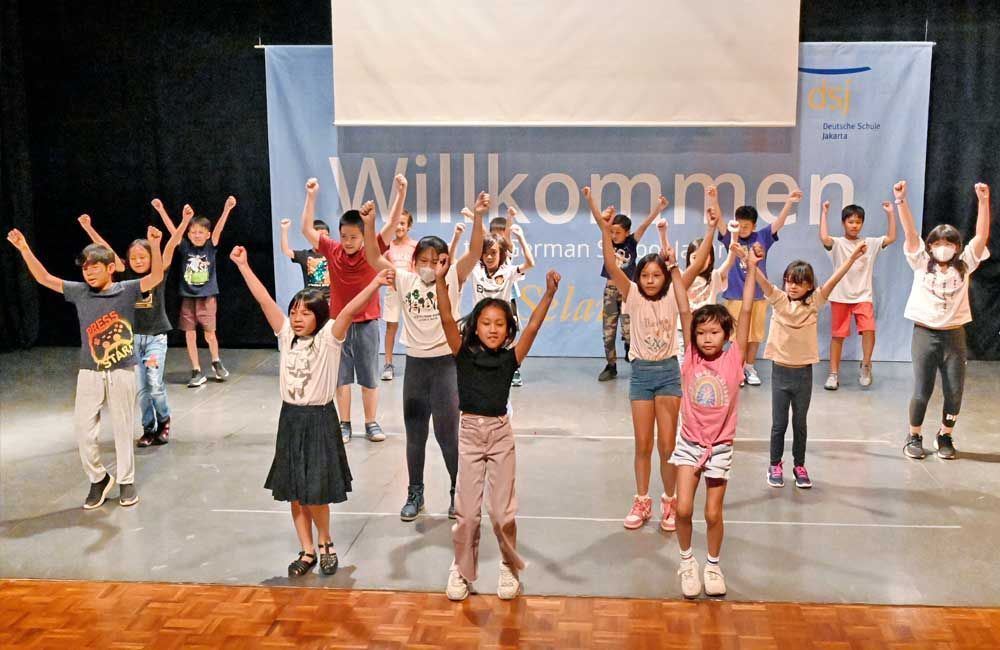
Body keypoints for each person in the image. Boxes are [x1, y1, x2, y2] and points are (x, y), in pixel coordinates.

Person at [230, 245, 392, 577]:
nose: (297, 318)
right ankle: (306, 550)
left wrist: (375, 284)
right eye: (294, 312)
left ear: (318, 315)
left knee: (316, 490)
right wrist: (244, 266)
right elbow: (263, 300)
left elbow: (347, 311)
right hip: (291, 419)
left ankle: (326, 542)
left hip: (319, 420)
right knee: (295, 491)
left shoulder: (330, 337)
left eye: (305, 313)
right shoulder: (285, 334)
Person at [7, 225, 164, 509]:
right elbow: (44, 278)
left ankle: (126, 482)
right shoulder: (80, 292)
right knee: (83, 429)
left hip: (121, 370)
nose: (88, 273)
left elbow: (155, 276)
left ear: (110, 268)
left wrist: (155, 244)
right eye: (85, 269)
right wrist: (23, 248)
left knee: (122, 426)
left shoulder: (126, 290)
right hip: (89, 371)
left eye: (94, 267)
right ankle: (99, 478)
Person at [364, 180, 491, 521]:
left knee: (448, 434)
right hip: (416, 366)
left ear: (443, 262)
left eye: (435, 260)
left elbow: (476, 252)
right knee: (415, 433)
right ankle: (415, 492)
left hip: (446, 366)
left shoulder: (452, 278)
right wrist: (369, 224)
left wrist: (479, 218)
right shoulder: (403, 279)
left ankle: (456, 490)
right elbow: (373, 256)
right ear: (414, 259)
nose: (429, 265)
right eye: (423, 259)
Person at [437, 255, 560, 601]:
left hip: (500, 433)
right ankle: (462, 569)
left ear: (508, 329)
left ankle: (508, 566)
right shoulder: (462, 352)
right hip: (470, 432)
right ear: (475, 326)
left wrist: (548, 294)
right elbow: (447, 317)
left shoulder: (511, 357)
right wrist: (444, 281)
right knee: (466, 512)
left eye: (500, 324)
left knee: (503, 511)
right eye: (487, 322)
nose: (493, 329)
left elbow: (533, 327)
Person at [598, 203, 719, 531]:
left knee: (668, 445)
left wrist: (711, 229)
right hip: (641, 375)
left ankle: (669, 500)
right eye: (646, 275)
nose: (651, 279)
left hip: (667, 373)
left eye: (656, 275)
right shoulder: (633, 294)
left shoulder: (672, 295)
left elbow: (694, 266)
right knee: (642, 445)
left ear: (665, 276)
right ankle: (641, 501)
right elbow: (611, 262)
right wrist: (604, 228)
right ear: (638, 277)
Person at [670, 239, 758, 599]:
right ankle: (686, 560)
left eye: (715, 333)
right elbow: (682, 304)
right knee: (684, 507)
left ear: (727, 335)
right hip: (689, 443)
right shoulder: (690, 357)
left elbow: (748, 310)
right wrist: (674, 269)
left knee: (712, 513)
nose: (707, 338)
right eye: (702, 333)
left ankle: (713, 564)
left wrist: (751, 268)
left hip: (720, 447)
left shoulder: (733, 359)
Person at [77, 204, 192, 446]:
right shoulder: (126, 275)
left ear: (152, 258)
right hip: (131, 341)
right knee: (140, 390)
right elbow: (105, 250)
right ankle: (149, 429)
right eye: (134, 258)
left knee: (154, 384)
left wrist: (182, 223)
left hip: (155, 338)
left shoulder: (158, 273)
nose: (139, 261)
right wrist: (89, 227)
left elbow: (171, 246)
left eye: (143, 256)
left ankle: (164, 419)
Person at [758, 245, 867, 489]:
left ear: (809, 285)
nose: (792, 286)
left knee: (800, 423)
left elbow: (835, 279)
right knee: (778, 424)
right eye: (788, 281)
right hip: (780, 372)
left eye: (798, 283)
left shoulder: (815, 302)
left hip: (803, 374)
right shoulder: (778, 300)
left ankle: (799, 465)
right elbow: (763, 283)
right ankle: (775, 464)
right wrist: (750, 262)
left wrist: (851, 259)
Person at [301, 177, 399, 444]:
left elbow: (390, 227)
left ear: (362, 235)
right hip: (338, 325)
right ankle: (344, 424)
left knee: (368, 376)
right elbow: (307, 230)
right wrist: (311, 196)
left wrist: (400, 193)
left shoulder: (372, 248)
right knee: (341, 377)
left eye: (354, 237)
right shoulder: (332, 249)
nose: (348, 241)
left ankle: (371, 422)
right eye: (344, 236)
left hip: (367, 323)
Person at [898, 180, 991, 460]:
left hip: (954, 336)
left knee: (954, 392)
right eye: (937, 242)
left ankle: (945, 435)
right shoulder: (919, 262)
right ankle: (914, 435)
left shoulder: (965, 264)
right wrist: (901, 200)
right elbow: (911, 233)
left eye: (948, 243)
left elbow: (982, 236)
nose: (942, 247)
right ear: (930, 246)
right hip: (925, 335)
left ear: (956, 246)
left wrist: (983, 202)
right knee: (922, 390)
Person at [710, 186, 800, 386]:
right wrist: (714, 199)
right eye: (739, 225)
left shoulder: (762, 237)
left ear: (754, 225)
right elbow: (720, 223)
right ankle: (736, 367)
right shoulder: (732, 238)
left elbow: (779, 223)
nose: (742, 229)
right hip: (735, 296)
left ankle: (749, 366)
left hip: (759, 295)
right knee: (734, 335)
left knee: (755, 335)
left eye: (746, 226)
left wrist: (789, 202)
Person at [582, 187, 669, 382]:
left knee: (630, 331)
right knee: (608, 332)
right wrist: (590, 200)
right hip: (610, 291)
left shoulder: (632, 242)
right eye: (611, 231)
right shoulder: (608, 242)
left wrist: (659, 208)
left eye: (618, 232)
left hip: (630, 291)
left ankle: (633, 353)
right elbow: (600, 222)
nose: (613, 235)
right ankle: (611, 366)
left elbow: (646, 224)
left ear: (627, 232)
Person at [155, 196, 236, 387]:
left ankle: (216, 361)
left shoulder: (210, 246)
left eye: (201, 232)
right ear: (188, 234)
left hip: (207, 298)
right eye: (193, 232)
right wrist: (161, 210)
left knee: (210, 334)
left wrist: (227, 209)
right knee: (189, 334)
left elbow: (219, 229)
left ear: (207, 234)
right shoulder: (184, 247)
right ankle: (196, 370)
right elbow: (173, 232)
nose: (197, 235)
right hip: (188, 298)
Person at [819, 199, 897, 389]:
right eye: (850, 221)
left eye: (858, 222)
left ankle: (866, 365)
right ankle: (833, 374)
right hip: (840, 296)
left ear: (862, 223)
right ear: (844, 223)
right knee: (838, 335)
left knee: (869, 330)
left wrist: (890, 213)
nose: (854, 225)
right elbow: (824, 238)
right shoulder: (837, 243)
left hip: (863, 296)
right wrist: (824, 212)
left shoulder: (869, 243)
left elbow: (891, 237)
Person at [381, 209, 417, 381]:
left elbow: (418, 268)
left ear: (408, 226)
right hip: (393, 291)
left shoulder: (415, 246)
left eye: (402, 223)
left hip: (411, 291)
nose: (399, 226)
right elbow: (380, 266)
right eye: (396, 223)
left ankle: (416, 363)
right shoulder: (388, 246)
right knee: (391, 327)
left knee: (413, 326)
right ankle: (388, 363)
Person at [279, 217, 331, 298]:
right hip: (311, 299)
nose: (324, 238)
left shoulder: (333, 254)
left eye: (327, 235)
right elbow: (286, 250)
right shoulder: (305, 255)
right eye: (320, 235)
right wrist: (284, 230)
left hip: (330, 299)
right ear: (311, 237)